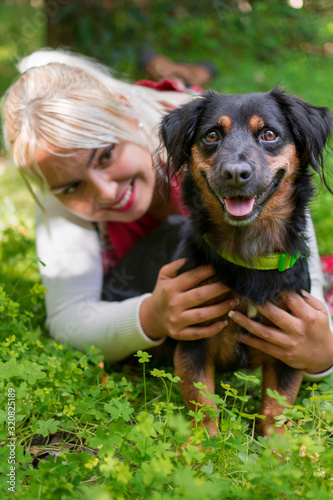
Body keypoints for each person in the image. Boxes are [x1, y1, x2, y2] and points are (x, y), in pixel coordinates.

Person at [3, 49, 333, 382]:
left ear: (128, 115)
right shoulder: (57, 177)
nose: (106, 192)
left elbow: (303, 278)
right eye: (72, 187)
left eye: (105, 156)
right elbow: (67, 318)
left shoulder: (199, 126)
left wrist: (323, 355)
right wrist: (151, 315)